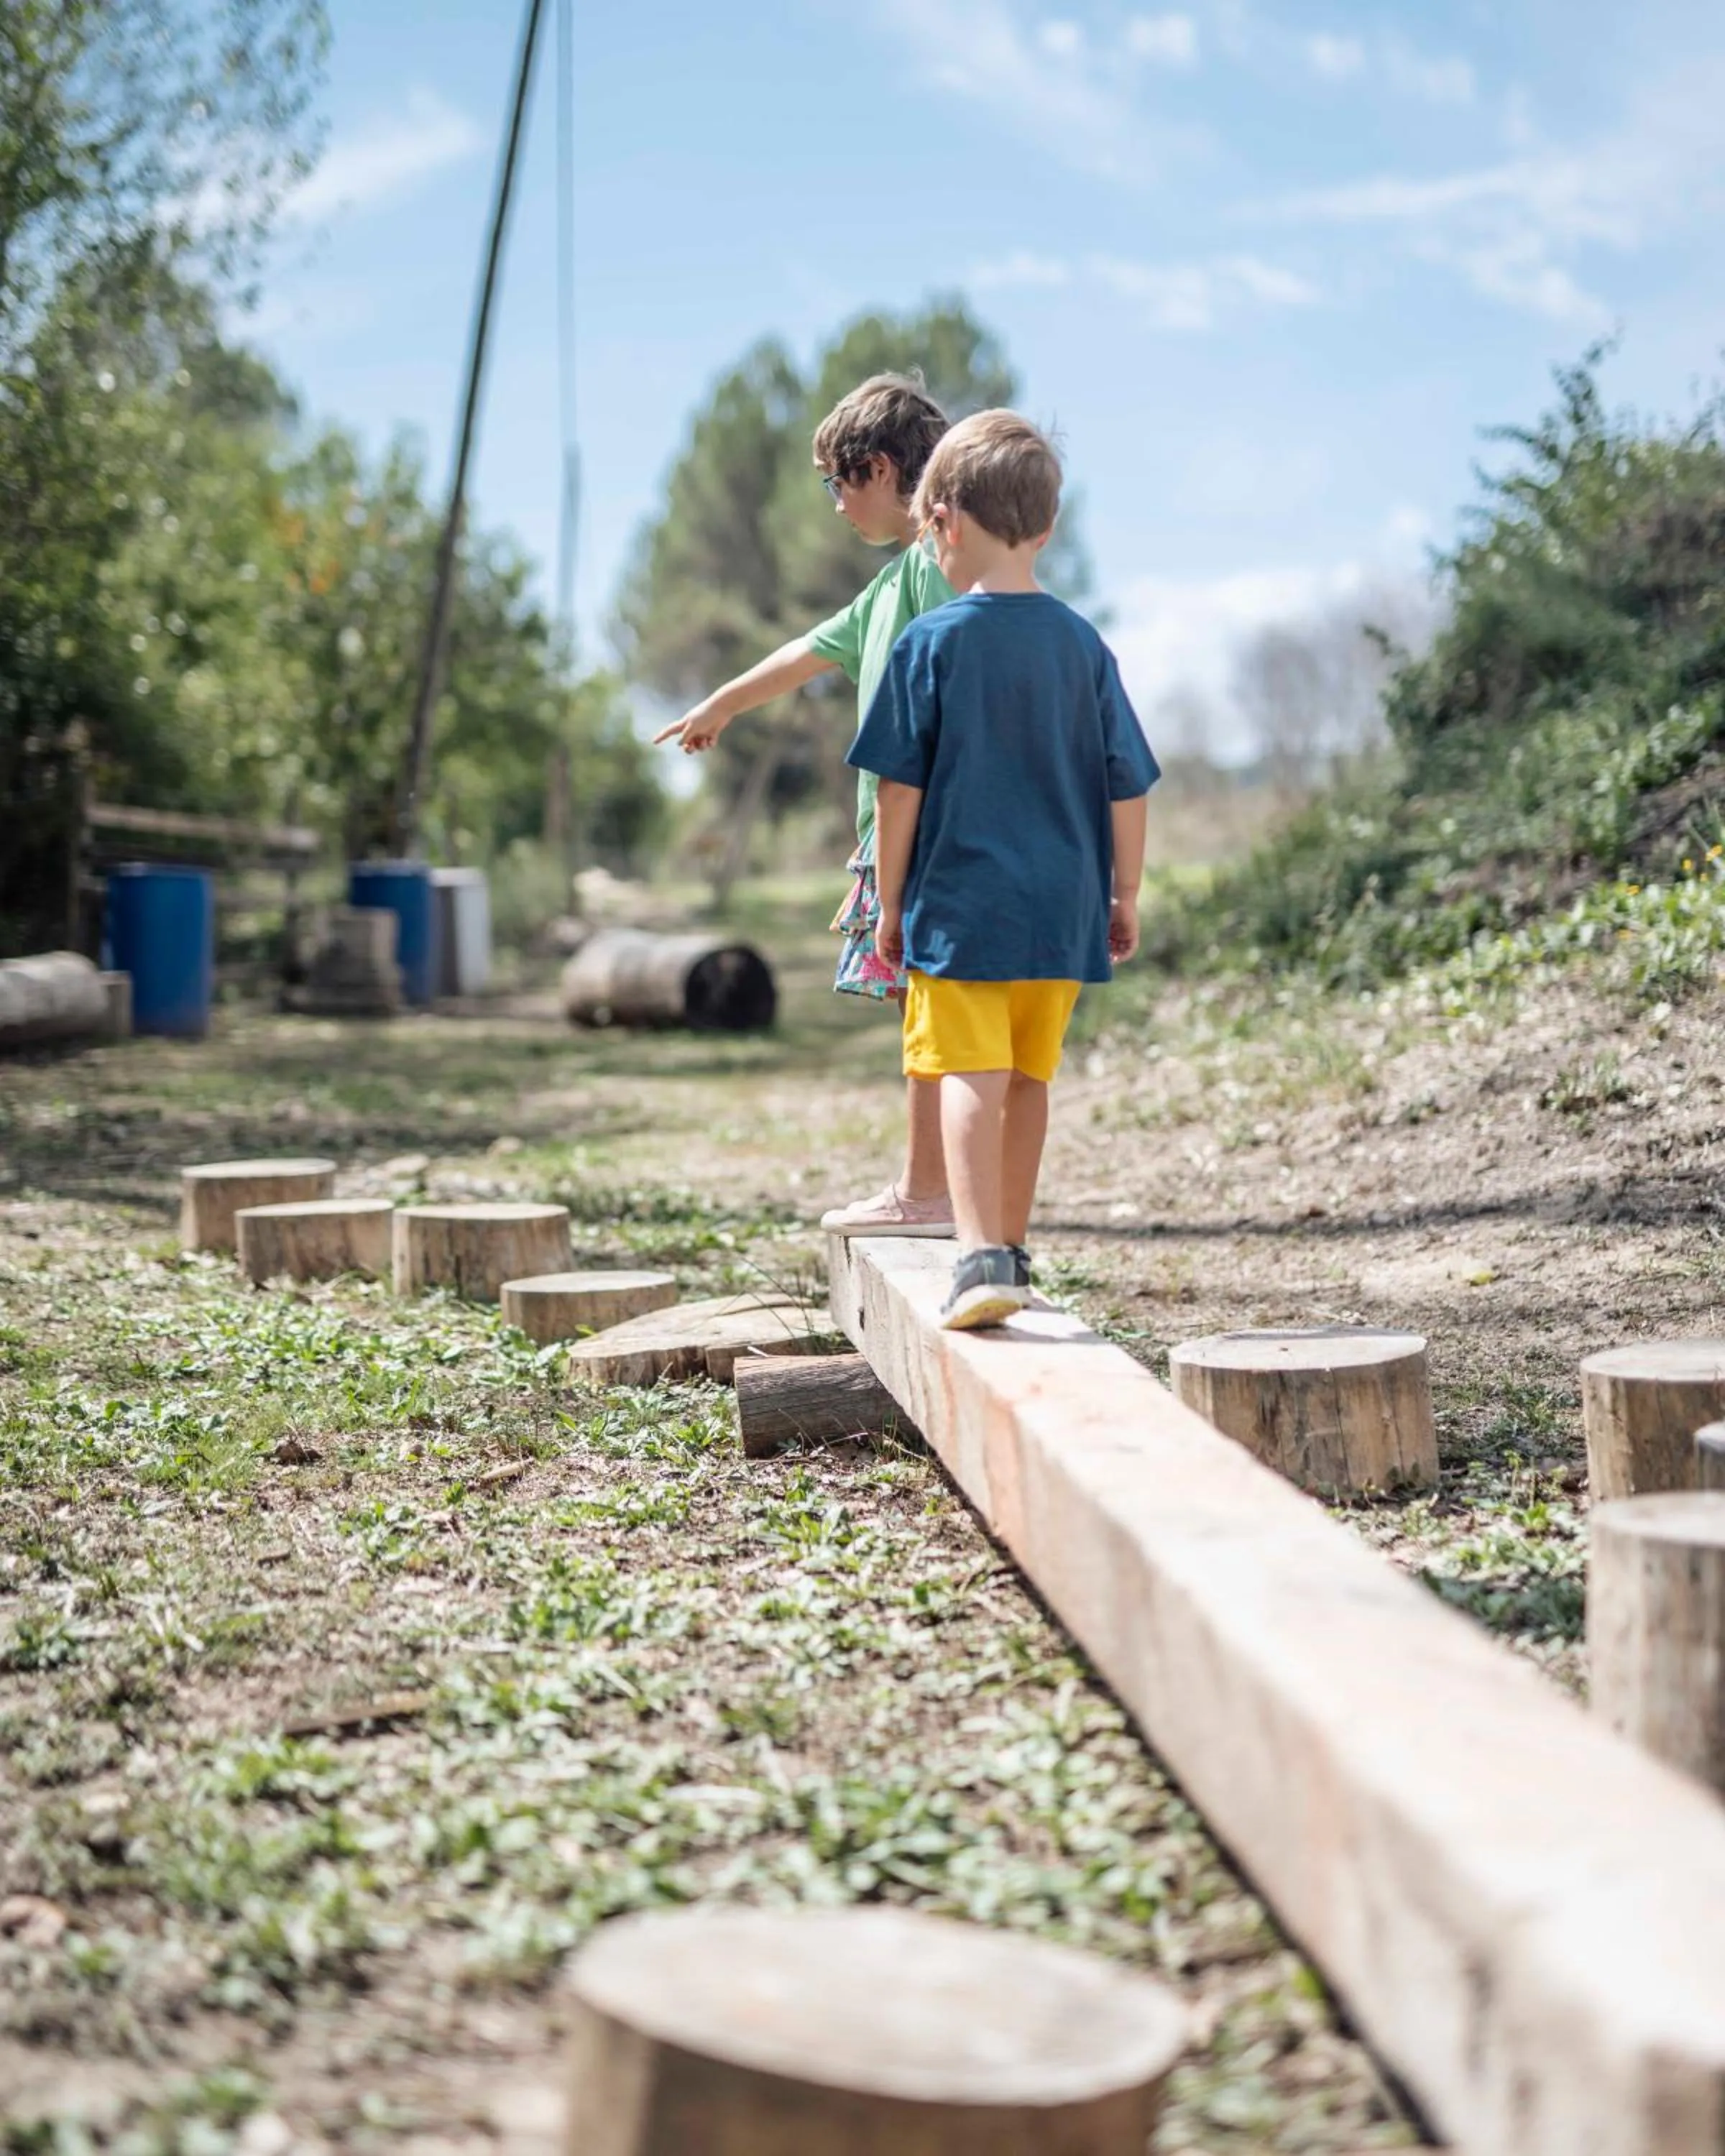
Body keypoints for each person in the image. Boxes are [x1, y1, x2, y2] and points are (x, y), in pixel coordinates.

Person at [848, 410, 1159, 1330]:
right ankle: (1011, 1251)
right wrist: (1125, 892)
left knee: (967, 1076)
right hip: (1061, 911)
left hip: (961, 910)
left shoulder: (931, 643)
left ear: (943, 520)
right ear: (1047, 527)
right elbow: (1128, 784)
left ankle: (978, 1256)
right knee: (1028, 1079)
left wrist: (890, 902)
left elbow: (896, 792)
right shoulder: (1082, 646)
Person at [653, 373, 958, 1237]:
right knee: (920, 1016)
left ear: (882, 467)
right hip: (893, 838)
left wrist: (906, 851)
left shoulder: (943, 569)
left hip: (930, 831)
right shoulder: (894, 582)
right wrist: (721, 703)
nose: (833, 505)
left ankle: (930, 1195)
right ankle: (934, 1188)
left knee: (936, 1019)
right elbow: (806, 652)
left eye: (837, 482)